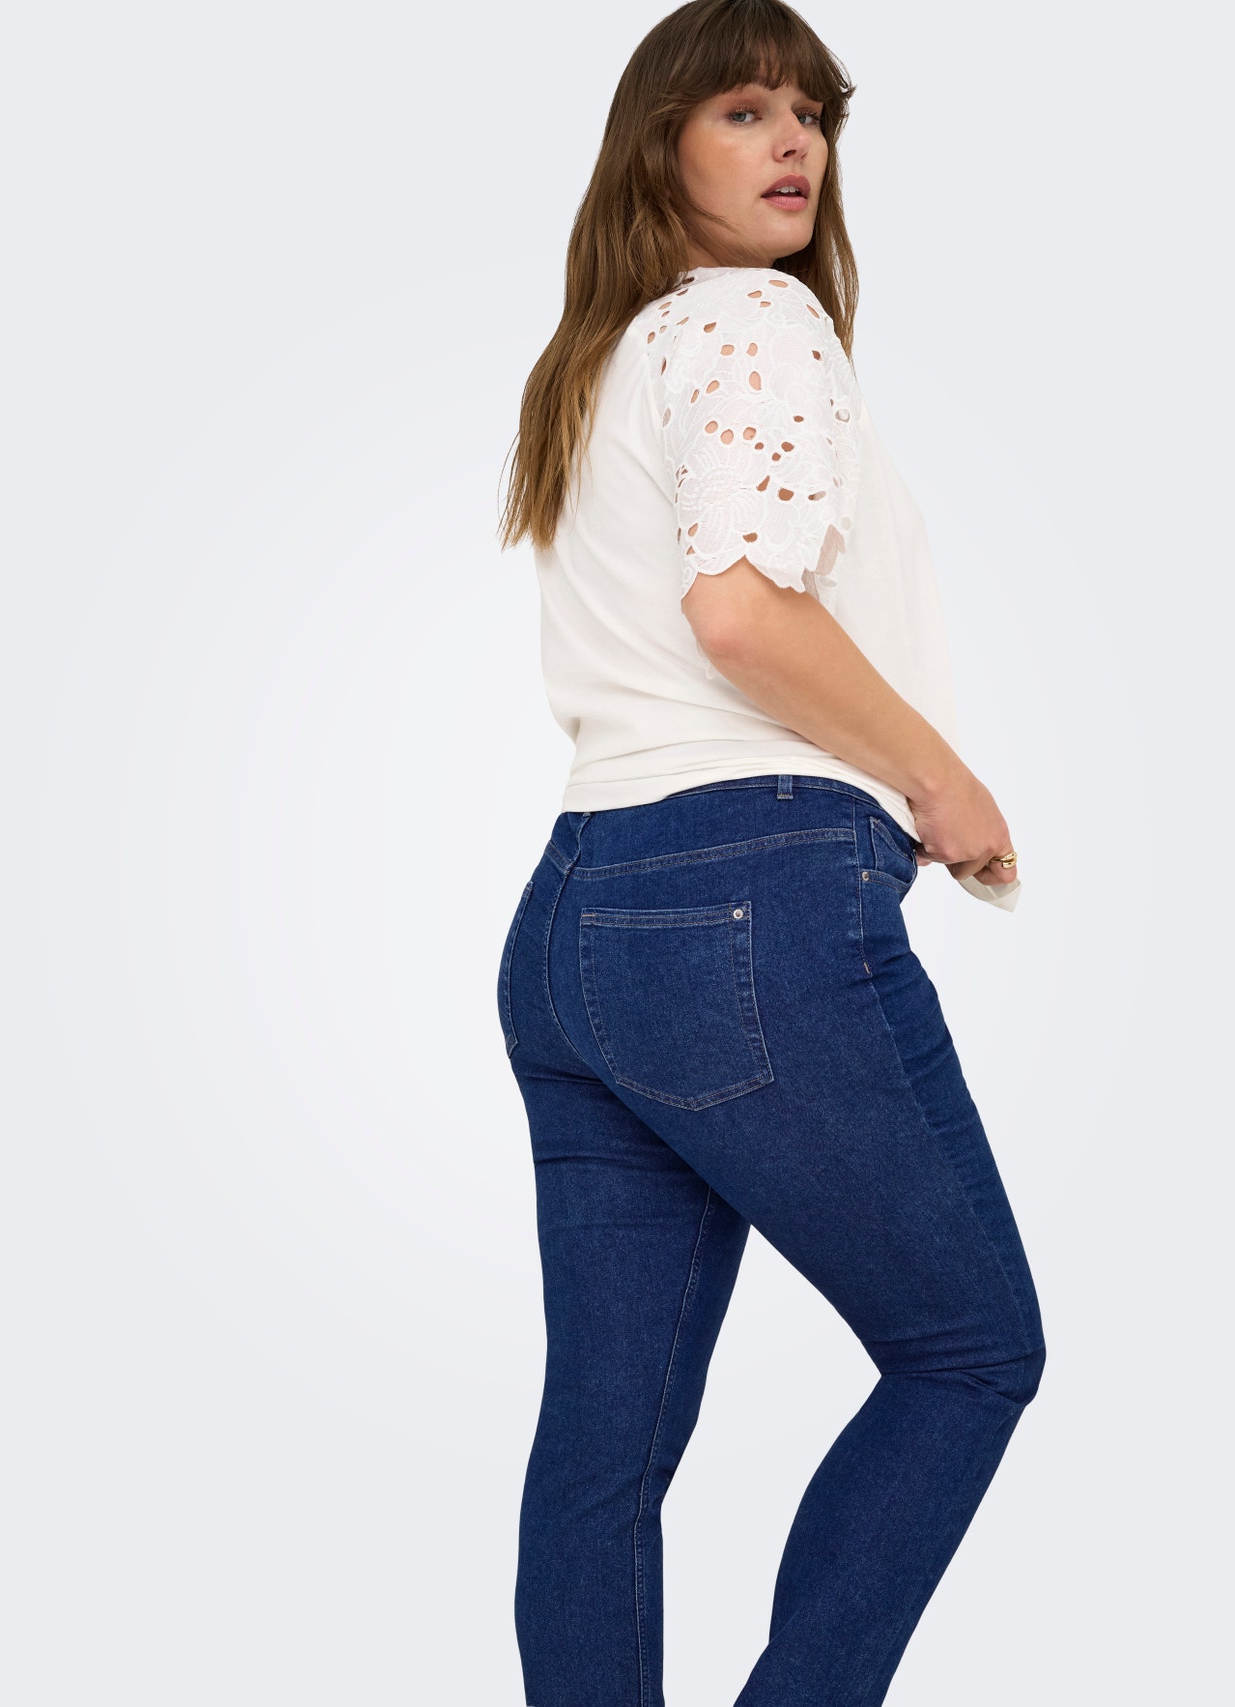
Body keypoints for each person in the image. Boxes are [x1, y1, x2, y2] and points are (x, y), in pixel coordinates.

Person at [494, 2, 1044, 1703]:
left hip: (573, 926)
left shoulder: (601, 361)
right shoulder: (753, 322)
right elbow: (739, 614)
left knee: (605, 1450)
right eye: (743, 109)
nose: (794, 139)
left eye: (812, 111)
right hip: (746, 897)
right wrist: (942, 781)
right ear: (658, 143)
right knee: (970, 1350)